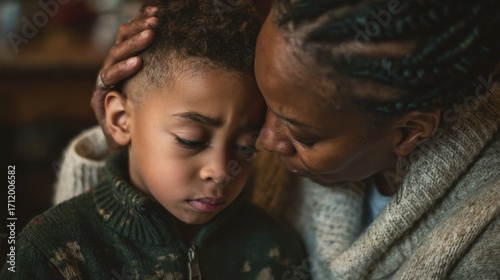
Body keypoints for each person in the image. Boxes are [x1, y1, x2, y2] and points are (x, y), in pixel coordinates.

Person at [55, 0, 499, 279]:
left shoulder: (485, 239)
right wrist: (128, 139)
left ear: (408, 132)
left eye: (300, 132)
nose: (263, 142)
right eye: (265, 105)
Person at [1, 1, 306, 279]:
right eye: (191, 140)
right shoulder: (54, 251)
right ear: (121, 120)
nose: (221, 170)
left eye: (246, 146)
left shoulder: (275, 249)